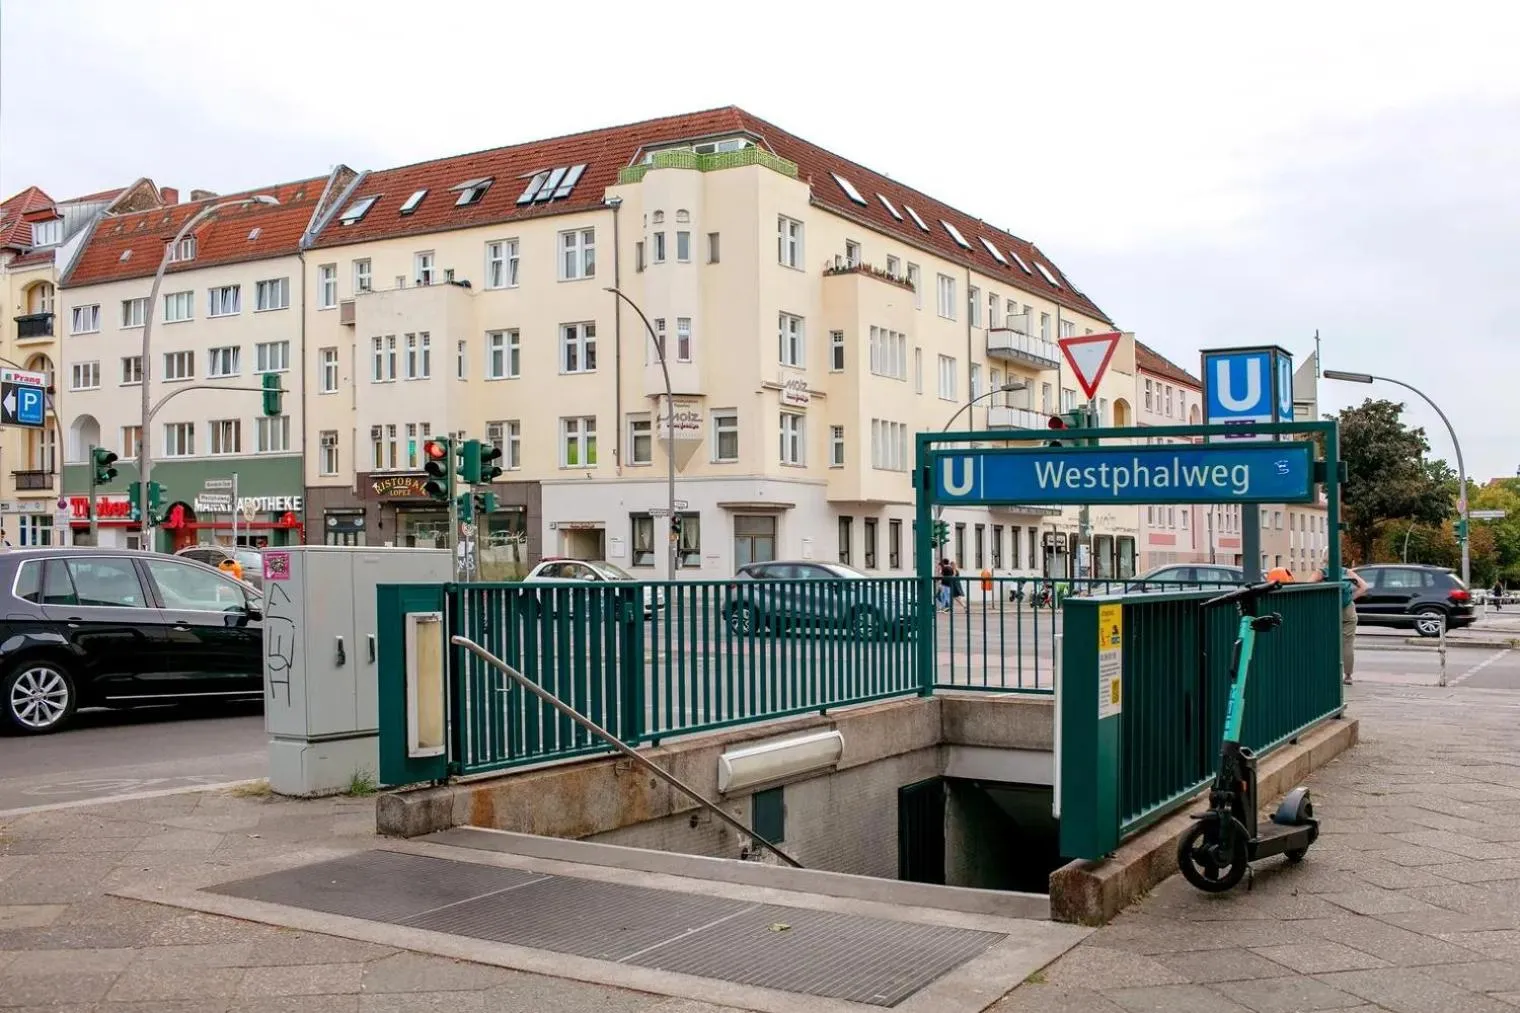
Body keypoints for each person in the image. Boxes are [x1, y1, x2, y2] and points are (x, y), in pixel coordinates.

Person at [1313, 566, 1368, 685]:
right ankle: (1348, 676)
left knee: (1326, 641)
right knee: (1347, 643)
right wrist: (1350, 598)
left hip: (1328, 609)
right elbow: (1364, 586)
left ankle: (1326, 672)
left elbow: (1306, 586)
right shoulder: (1346, 572)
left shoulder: (1322, 572)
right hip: (1348, 609)